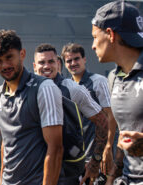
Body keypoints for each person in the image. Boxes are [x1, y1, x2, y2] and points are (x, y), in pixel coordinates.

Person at [0, 29, 64, 185]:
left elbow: (55, 148)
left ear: (22, 54)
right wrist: (1, 181)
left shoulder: (44, 88)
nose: (5, 65)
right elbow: (6, 144)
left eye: (9, 57)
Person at [33, 43, 109, 184]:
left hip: (68, 169)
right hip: (36, 168)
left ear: (58, 63)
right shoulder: (28, 91)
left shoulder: (73, 89)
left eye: (51, 61)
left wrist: (96, 160)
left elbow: (103, 121)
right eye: (41, 62)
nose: (46, 66)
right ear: (34, 66)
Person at [91, 1, 143, 184]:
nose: (93, 45)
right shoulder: (114, 77)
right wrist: (112, 177)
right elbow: (124, 137)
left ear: (110, 35)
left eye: (95, 37)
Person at [61, 43, 117, 178]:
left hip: (97, 154)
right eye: (69, 61)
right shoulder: (66, 86)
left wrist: (107, 148)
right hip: (78, 156)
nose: (73, 63)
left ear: (84, 59)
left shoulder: (98, 81)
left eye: (76, 59)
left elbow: (110, 117)